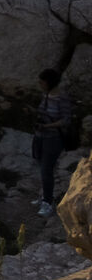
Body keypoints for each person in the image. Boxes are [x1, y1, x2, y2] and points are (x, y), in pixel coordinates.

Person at [33, 67, 78, 208]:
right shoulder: (46, 95)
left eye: (42, 82)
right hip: (40, 136)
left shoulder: (62, 98)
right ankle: (45, 196)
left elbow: (66, 120)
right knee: (42, 168)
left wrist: (47, 126)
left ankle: (48, 202)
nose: (40, 84)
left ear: (50, 82)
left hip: (53, 139)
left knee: (46, 170)